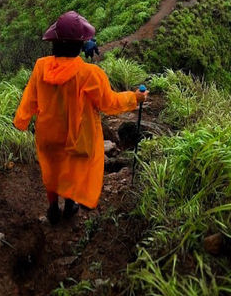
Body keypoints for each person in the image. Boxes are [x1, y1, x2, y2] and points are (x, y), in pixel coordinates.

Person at [13, 11, 148, 225]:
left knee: (52, 170)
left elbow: (30, 98)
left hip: (47, 134)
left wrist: (21, 121)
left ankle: (52, 209)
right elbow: (109, 103)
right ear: (80, 45)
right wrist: (135, 98)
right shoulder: (90, 74)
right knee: (71, 169)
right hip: (74, 137)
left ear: (54, 43)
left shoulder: (40, 67)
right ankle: (69, 206)